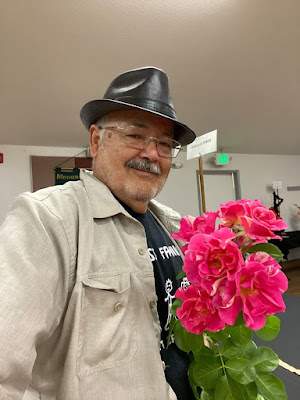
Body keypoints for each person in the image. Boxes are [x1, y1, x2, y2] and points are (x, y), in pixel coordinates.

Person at [0, 67, 196, 400]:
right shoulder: (47, 219)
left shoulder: (172, 225)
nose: (152, 153)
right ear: (96, 141)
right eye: (135, 135)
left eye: (165, 144)